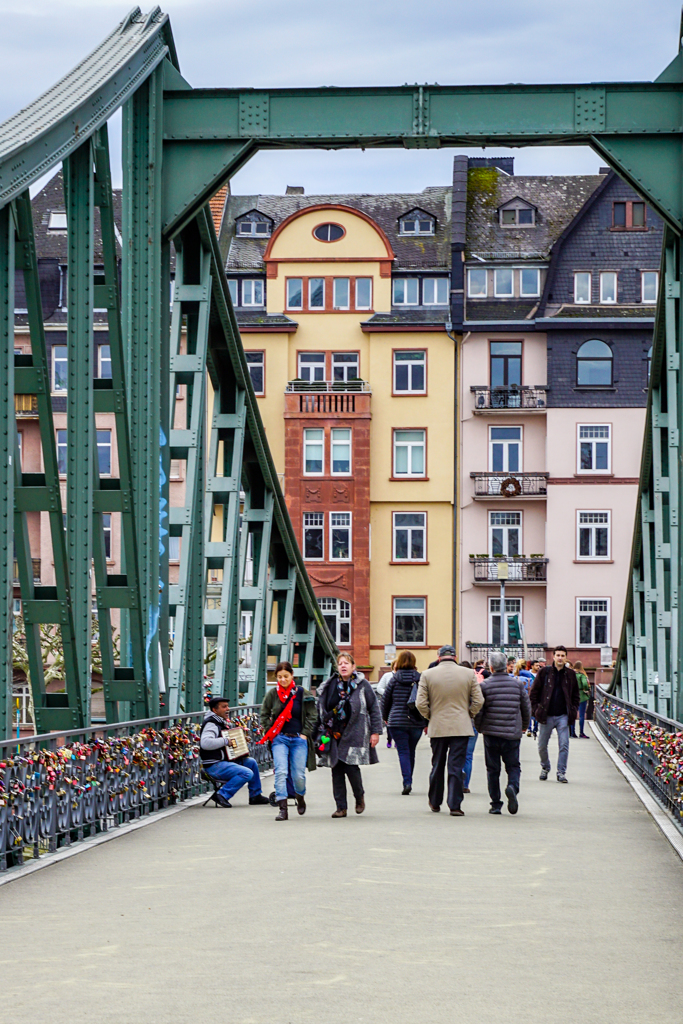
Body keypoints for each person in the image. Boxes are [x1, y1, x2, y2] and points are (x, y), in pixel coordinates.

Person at [415, 645, 483, 817]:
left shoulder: (427, 675)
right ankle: (455, 805)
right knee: (456, 766)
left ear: (438, 657)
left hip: (438, 726)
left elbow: (420, 703)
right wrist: (468, 714)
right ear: (455, 657)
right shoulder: (468, 674)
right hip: (461, 726)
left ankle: (435, 801)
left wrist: (431, 716)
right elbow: (479, 700)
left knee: (437, 764)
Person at [317, 652, 382, 818]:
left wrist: (375, 731)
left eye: (346, 663)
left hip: (355, 732)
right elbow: (321, 707)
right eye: (340, 663)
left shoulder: (362, 685)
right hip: (333, 733)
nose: (343, 666)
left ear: (353, 667)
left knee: (352, 768)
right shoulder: (329, 685)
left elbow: (374, 708)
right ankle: (341, 807)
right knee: (336, 770)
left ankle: (359, 797)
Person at [260, 661, 318, 821]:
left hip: (299, 739)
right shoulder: (272, 694)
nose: (283, 680)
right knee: (281, 772)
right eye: (279, 677)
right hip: (280, 739)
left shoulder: (302, 693)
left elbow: (313, 714)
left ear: (292, 675)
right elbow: (263, 714)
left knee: (298, 775)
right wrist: (270, 732)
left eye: (286, 676)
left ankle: (300, 796)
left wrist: (305, 733)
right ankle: (282, 809)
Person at [475, 651, 531, 815]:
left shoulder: (484, 686)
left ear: (491, 667)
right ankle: (512, 786)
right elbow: (526, 708)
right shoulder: (517, 685)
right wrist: (524, 726)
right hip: (512, 733)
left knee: (493, 769)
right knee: (513, 766)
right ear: (506, 666)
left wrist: (479, 727)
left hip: (491, 733)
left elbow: (479, 710)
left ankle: (495, 804)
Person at [199, 696, 270, 807]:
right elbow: (205, 743)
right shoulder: (211, 724)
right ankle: (222, 795)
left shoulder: (220, 722)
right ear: (214, 710)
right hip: (214, 765)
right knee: (246, 773)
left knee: (251, 762)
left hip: (221, 762)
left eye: (227, 706)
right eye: (224, 707)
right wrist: (226, 741)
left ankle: (255, 795)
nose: (228, 709)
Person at [529, 645, 580, 783]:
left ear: (565, 657)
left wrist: (573, 709)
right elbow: (533, 693)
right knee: (541, 745)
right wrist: (536, 709)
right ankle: (545, 767)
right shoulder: (544, 672)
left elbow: (576, 695)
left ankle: (561, 772)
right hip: (546, 715)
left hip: (563, 715)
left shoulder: (570, 674)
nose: (560, 658)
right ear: (553, 656)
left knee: (564, 744)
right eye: (558, 655)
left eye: (563, 655)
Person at [381, 650, 425, 794]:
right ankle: (409, 779)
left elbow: (385, 701)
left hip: (397, 721)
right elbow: (426, 700)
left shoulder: (394, 679)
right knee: (411, 751)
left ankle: (407, 781)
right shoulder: (420, 678)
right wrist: (426, 721)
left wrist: (385, 717)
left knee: (403, 752)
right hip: (416, 722)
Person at [376, 662, 396, 748]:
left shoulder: (403, 675)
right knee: (389, 722)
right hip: (389, 702)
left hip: (400, 703)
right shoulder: (387, 676)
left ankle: (397, 741)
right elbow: (379, 688)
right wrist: (388, 694)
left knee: (397, 723)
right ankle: (389, 739)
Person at [571, 660, 591, 738]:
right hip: (581, 696)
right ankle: (581, 733)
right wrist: (585, 689)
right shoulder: (581, 675)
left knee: (573, 715)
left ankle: (572, 733)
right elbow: (585, 684)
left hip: (572, 696)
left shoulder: (571, 674)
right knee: (581, 715)